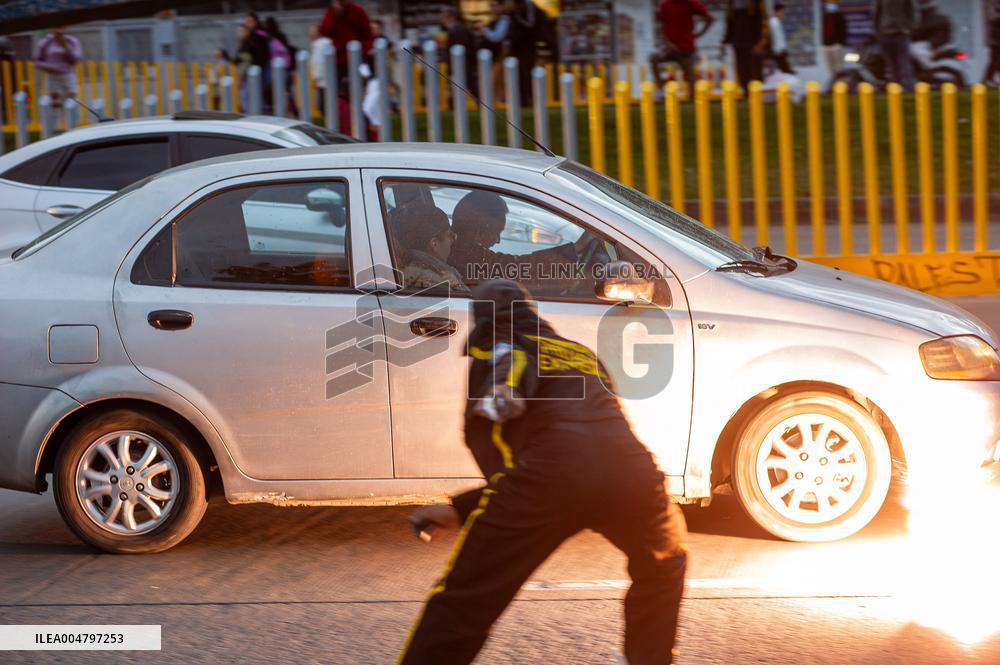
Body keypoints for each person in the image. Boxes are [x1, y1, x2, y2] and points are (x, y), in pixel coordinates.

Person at [397, 279, 688, 665]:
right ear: (533, 314)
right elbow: (603, 437)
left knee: (466, 598)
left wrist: (473, 508)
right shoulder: (578, 352)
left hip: (548, 482)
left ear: (481, 321)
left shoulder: (496, 352)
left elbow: (491, 442)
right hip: (635, 475)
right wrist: (463, 508)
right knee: (664, 566)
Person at [447, 190, 577, 290]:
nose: (498, 240)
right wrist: (569, 254)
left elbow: (512, 265)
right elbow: (516, 267)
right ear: (480, 229)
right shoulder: (464, 256)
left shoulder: (460, 249)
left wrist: (571, 251)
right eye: (497, 232)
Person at [392, 202, 468, 291]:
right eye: (450, 234)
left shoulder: (405, 268)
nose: (454, 239)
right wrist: (458, 287)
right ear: (434, 244)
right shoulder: (434, 281)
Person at [650, 0, 714, 88]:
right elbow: (661, 26)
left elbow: (710, 19)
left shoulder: (690, 3)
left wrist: (699, 34)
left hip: (687, 48)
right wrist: (668, 42)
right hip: (670, 49)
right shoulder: (666, 4)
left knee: (690, 79)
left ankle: (693, 97)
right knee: (654, 58)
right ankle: (660, 84)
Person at [873, 0, 920, 91]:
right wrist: (878, 31)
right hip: (885, 33)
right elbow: (876, 13)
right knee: (890, 64)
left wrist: (910, 28)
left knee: (903, 62)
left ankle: (907, 87)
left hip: (901, 33)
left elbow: (913, 12)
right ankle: (895, 87)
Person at [723, 0, 769, 92]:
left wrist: (761, 44)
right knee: (742, 71)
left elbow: (763, 23)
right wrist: (726, 41)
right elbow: (730, 24)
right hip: (738, 43)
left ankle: (756, 93)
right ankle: (746, 92)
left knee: (754, 71)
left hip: (753, 43)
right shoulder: (731, 4)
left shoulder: (756, 3)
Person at [320, 0, 375, 76]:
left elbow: (367, 33)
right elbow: (326, 31)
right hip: (338, 58)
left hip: (358, 55)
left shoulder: (358, 11)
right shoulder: (331, 12)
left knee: (362, 79)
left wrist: (366, 49)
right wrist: (335, 15)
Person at [33, 27, 82, 108]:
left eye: (60, 27)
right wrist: (49, 67)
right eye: (55, 28)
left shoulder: (72, 41)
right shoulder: (45, 42)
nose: (58, 31)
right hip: (52, 76)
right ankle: (56, 116)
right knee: (55, 102)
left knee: (72, 101)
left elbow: (75, 59)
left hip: (67, 75)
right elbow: (37, 60)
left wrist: (65, 47)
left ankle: (71, 117)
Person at [442, 7, 478, 94]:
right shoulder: (458, 28)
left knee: (470, 86)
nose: (442, 21)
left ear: (451, 17)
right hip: (463, 64)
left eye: (444, 18)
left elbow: (463, 48)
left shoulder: (457, 30)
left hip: (462, 64)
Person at [821, 2, 848, 90]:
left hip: (836, 45)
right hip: (826, 45)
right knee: (830, 68)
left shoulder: (839, 17)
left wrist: (840, 43)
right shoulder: (824, 17)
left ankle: (841, 86)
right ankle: (832, 86)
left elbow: (844, 30)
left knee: (839, 66)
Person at [309, 24, 334, 113]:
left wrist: (315, 78)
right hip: (327, 78)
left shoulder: (319, 45)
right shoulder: (326, 44)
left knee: (323, 105)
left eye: (312, 32)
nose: (310, 34)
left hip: (322, 80)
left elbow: (318, 62)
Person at [768, 3, 793, 74]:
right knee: (785, 73)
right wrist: (779, 52)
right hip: (778, 53)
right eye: (782, 12)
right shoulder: (773, 23)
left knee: (786, 72)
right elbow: (776, 39)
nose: (783, 14)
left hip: (781, 52)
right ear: (776, 12)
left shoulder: (777, 22)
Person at [984, 4, 1000, 85]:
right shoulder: (996, 20)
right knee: (994, 62)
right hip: (996, 44)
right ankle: (988, 79)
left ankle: (989, 79)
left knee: (996, 62)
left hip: (996, 43)